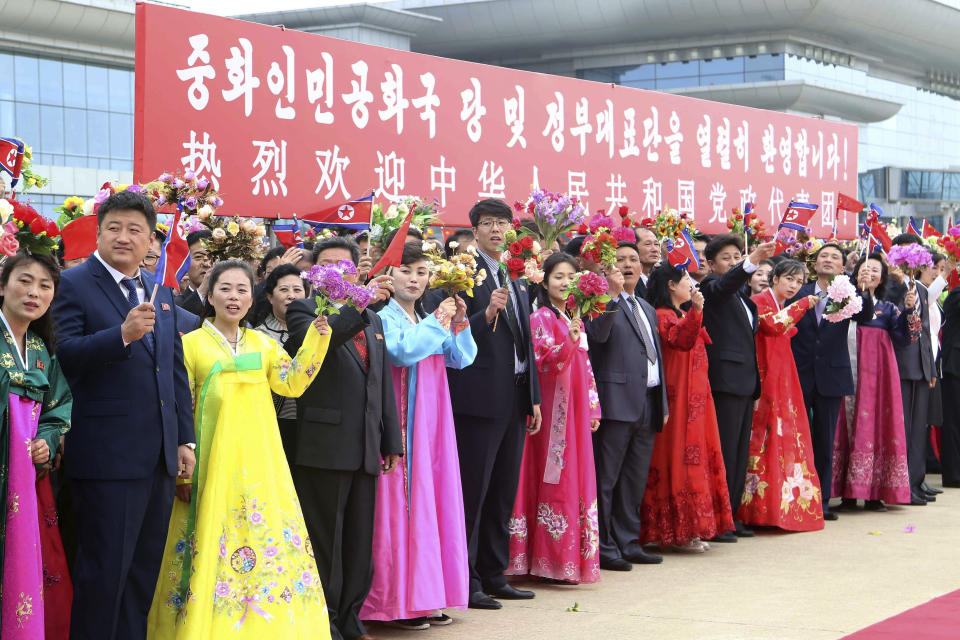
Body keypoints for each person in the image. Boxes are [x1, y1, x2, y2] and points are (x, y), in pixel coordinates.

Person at [146, 261, 331, 638]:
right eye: (225, 289)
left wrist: (317, 337)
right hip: (210, 462)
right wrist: (186, 468)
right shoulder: (190, 345)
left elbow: (292, 383)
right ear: (210, 294)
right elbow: (182, 406)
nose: (234, 297)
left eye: (242, 289)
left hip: (261, 461)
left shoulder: (264, 345)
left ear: (253, 297)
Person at [53, 190, 196, 640]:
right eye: (114, 227)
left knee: (140, 577)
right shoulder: (72, 284)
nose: (124, 237)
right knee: (103, 576)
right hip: (106, 458)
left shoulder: (159, 287)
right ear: (98, 233)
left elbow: (173, 369)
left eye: (135, 229)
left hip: (157, 459)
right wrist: (122, 335)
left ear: (150, 239)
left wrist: (183, 438)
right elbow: (63, 356)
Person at [285, 236, 402, 640]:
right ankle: (325, 621)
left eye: (345, 265)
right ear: (315, 274)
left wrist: (392, 440)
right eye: (327, 265)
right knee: (325, 542)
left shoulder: (374, 318)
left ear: (356, 271)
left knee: (357, 542)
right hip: (323, 446)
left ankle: (351, 617)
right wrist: (357, 305)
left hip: (366, 446)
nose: (337, 271)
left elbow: (381, 382)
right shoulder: (302, 310)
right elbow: (315, 348)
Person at [360, 244, 475, 629]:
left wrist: (457, 322)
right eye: (406, 270)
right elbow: (402, 353)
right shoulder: (382, 317)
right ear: (389, 277)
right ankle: (396, 601)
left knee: (433, 500)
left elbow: (460, 358)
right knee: (401, 505)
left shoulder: (427, 316)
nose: (414, 279)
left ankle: (427, 596)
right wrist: (440, 319)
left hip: (433, 423)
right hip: (402, 423)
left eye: (422, 272)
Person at [442, 198, 541, 610]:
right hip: (479, 400)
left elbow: (525, 341)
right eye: (489, 223)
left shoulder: (515, 274)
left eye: (503, 223)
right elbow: (452, 334)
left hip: (515, 396)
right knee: (475, 493)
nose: (497, 230)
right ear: (475, 230)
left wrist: (533, 397)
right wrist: (485, 313)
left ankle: (495, 572)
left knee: (503, 491)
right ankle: (467, 580)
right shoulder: (463, 274)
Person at [507, 253, 602, 584]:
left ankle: (565, 557)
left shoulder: (573, 317)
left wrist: (592, 406)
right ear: (544, 281)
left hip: (575, 407)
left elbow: (586, 366)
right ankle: (546, 557)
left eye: (571, 277)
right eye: (558, 276)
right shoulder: (541, 318)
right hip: (552, 407)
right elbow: (544, 362)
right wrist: (569, 341)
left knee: (573, 473)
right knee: (552, 475)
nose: (565, 283)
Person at [0, 251, 74, 639]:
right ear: (2, 286)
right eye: (24, 281)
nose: (34, 292)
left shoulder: (41, 350)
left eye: (45, 286)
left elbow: (57, 407)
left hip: (23, 479)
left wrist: (45, 439)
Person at [640, 264, 733, 552]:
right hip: (678, 399)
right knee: (678, 458)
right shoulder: (663, 315)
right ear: (671, 285)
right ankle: (678, 530)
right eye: (685, 281)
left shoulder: (679, 313)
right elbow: (679, 340)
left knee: (697, 456)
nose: (691, 286)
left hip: (697, 398)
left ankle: (694, 528)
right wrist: (695, 311)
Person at [586, 242, 668, 570]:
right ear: (608, 268)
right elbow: (599, 337)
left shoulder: (646, 307)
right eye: (621, 260)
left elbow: (655, 359)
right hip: (615, 403)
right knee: (607, 479)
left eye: (633, 259)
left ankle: (628, 540)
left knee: (634, 479)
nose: (629, 264)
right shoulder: (598, 304)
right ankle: (605, 546)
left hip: (648, 401)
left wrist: (661, 400)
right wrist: (610, 294)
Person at [736, 260, 823, 530]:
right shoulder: (761, 300)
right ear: (775, 279)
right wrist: (801, 305)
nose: (794, 285)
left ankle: (778, 506)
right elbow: (772, 326)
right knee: (763, 433)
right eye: (789, 279)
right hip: (766, 374)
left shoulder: (779, 303)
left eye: (798, 282)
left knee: (784, 432)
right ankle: (755, 509)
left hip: (782, 374)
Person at [789, 242, 873, 518]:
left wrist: (864, 290)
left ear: (842, 266)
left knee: (825, 441)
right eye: (823, 256)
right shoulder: (798, 292)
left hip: (831, 376)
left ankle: (821, 500)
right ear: (815, 264)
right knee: (796, 438)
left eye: (834, 257)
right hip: (799, 373)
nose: (828, 260)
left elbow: (865, 315)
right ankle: (792, 498)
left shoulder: (848, 295)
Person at [700, 235, 775, 540]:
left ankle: (730, 515)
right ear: (711, 264)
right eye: (726, 258)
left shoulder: (744, 300)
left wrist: (756, 387)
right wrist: (751, 260)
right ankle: (718, 520)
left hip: (745, 384)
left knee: (740, 455)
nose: (732, 262)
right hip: (724, 383)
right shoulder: (711, 288)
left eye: (736, 256)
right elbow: (725, 284)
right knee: (726, 453)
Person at [833, 254, 914, 510]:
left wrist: (910, 311)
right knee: (842, 423)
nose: (870, 273)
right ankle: (845, 493)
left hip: (876, 376)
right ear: (855, 273)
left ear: (883, 277)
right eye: (865, 268)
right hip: (844, 370)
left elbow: (905, 338)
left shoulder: (888, 308)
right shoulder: (842, 301)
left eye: (876, 270)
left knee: (874, 424)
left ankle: (873, 492)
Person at [884, 234, 936, 504]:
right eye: (902, 253)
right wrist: (897, 280)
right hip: (899, 365)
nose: (907, 259)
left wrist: (932, 369)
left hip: (921, 367)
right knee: (901, 429)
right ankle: (901, 485)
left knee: (918, 430)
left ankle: (915, 481)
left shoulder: (922, 289)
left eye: (912, 253)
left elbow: (926, 333)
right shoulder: (889, 286)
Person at [255, 263, 308, 462]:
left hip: (310, 424)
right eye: (284, 290)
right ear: (270, 296)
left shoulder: (316, 331)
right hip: (273, 423)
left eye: (297, 289)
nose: (291, 295)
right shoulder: (258, 335)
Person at [174, 230, 213, 316]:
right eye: (198, 257)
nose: (207, 264)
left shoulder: (228, 302)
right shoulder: (174, 303)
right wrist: (202, 290)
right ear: (184, 262)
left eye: (213, 257)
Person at [633, 228, 658, 298]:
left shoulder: (661, 276)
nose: (655, 249)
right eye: (648, 244)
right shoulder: (628, 280)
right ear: (634, 248)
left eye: (656, 244)